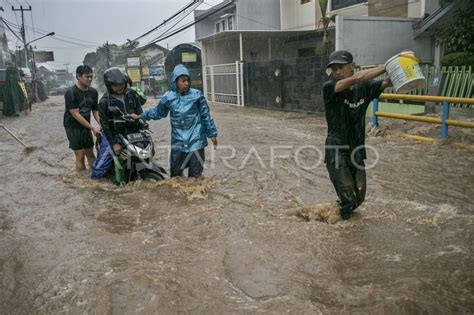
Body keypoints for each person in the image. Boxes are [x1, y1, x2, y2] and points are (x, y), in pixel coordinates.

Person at [322, 50, 392, 220]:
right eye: (334, 69)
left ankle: (331, 215)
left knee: (359, 198)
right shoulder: (330, 87)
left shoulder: (364, 88)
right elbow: (356, 78)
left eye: (341, 67)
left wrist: (404, 65)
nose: (337, 72)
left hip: (356, 150)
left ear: (352, 66)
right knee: (348, 197)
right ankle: (343, 234)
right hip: (336, 150)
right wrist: (389, 64)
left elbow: (387, 82)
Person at [130, 64, 218, 178]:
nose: (186, 83)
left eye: (188, 80)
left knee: (195, 177)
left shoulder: (197, 95)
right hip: (178, 142)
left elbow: (206, 115)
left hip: (196, 140)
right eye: (183, 80)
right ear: (175, 81)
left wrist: (212, 134)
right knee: (175, 176)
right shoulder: (168, 97)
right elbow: (158, 112)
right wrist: (141, 116)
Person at [98, 67, 144, 156]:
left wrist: (142, 122)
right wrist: (114, 143)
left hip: (134, 133)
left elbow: (140, 111)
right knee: (101, 165)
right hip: (115, 135)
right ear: (109, 85)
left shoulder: (131, 94)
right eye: (116, 85)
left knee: (147, 153)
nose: (119, 87)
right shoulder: (104, 102)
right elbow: (104, 124)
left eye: (121, 84)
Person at [63, 65, 100, 171]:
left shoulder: (93, 92)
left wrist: (102, 124)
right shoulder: (71, 93)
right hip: (73, 126)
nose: (90, 79)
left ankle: (95, 177)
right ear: (78, 77)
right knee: (80, 156)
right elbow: (75, 114)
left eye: (91, 76)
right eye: (87, 76)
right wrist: (92, 128)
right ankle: (82, 181)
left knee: (90, 153)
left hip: (86, 126)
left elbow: (95, 110)